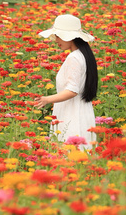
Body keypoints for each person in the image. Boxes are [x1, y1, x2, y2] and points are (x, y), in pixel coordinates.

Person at [33, 14, 98, 151]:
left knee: (69, 154)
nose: (56, 40)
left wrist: (47, 99)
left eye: (58, 36)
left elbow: (72, 90)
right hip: (82, 111)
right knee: (81, 156)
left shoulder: (74, 58)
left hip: (71, 113)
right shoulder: (83, 55)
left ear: (70, 36)